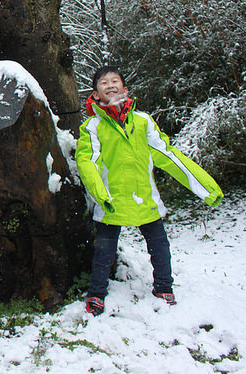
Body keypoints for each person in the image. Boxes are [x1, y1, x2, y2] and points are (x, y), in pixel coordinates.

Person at [75, 66, 223, 316]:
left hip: (146, 197)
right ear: (96, 95)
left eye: (115, 81)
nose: (110, 85)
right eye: (103, 83)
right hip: (111, 199)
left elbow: (168, 155)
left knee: (160, 246)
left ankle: (164, 288)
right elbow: (86, 161)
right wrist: (101, 195)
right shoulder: (92, 126)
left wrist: (205, 187)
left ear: (125, 89)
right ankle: (97, 294)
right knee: (103, 251)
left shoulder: (143, 121)